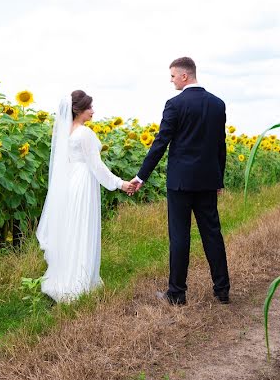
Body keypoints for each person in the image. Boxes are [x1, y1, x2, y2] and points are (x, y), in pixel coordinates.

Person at [131, 57, 230, 306]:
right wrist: (219, 179)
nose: (172, 80)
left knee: (180, 236)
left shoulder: (175, 104)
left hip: (180, 183)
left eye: (173, 76)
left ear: (185, 76)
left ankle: (177, 293)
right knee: (212, 234)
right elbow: (221, 145)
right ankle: (222, 289)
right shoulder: (217, 104)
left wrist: (141, 175)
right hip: (208, 180)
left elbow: (161, 143)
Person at [36, 90, 134, 302]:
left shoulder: (66, 132)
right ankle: (80, 280)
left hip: (71, 182)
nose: (93, 111)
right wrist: (120, 183)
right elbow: (97, 166)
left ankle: (67, 274)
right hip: (83, 183)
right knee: (83, 227)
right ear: (78, 109)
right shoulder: (84, 133)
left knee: (72, 228)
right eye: (89, 107)